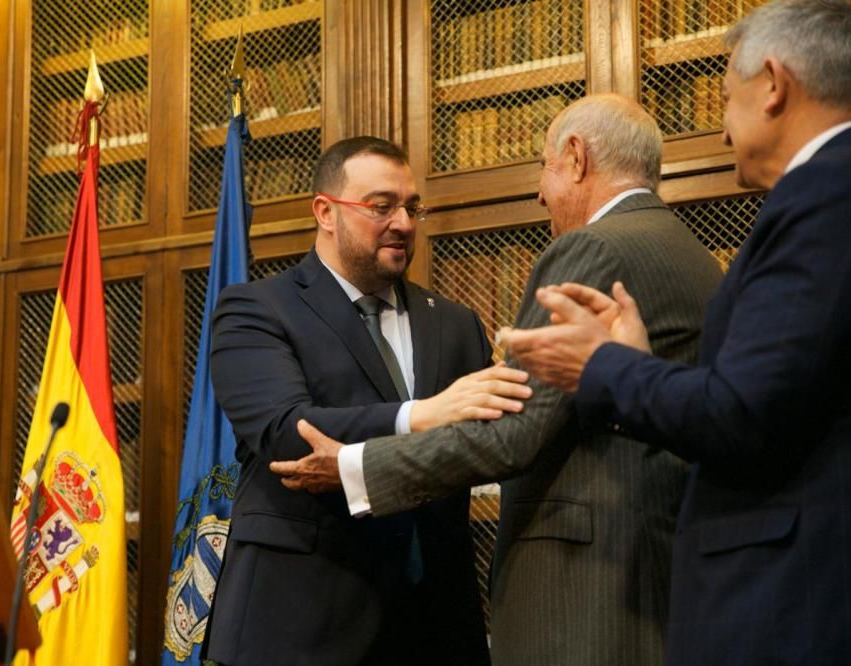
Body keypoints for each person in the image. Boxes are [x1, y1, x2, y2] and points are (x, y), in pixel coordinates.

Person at [271, 95, 723, 665]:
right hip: (665, 565)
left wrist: (357, 467)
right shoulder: (692, 253)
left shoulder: (591, 247)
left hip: (589, 592)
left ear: (577, 158)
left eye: (544, 166)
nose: (539, 191)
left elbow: (513, 430)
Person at [499, 1, 851, 664]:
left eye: (724, 98)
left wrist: (603, 365)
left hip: (792, 599)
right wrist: (635, 360)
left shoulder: (824, 196)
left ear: (773, 84)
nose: (720, 132)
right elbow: (772, 398)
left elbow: (743, 417)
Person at [203, 136, 530, 666]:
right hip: (303, 621)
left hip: (437, 626)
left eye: (412, 207)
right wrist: (424, 413)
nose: (403, 222)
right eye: (381, 206)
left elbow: (484, 446)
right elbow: (288, 433)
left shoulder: (454, 322)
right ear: (325, 212)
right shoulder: (255, 309)